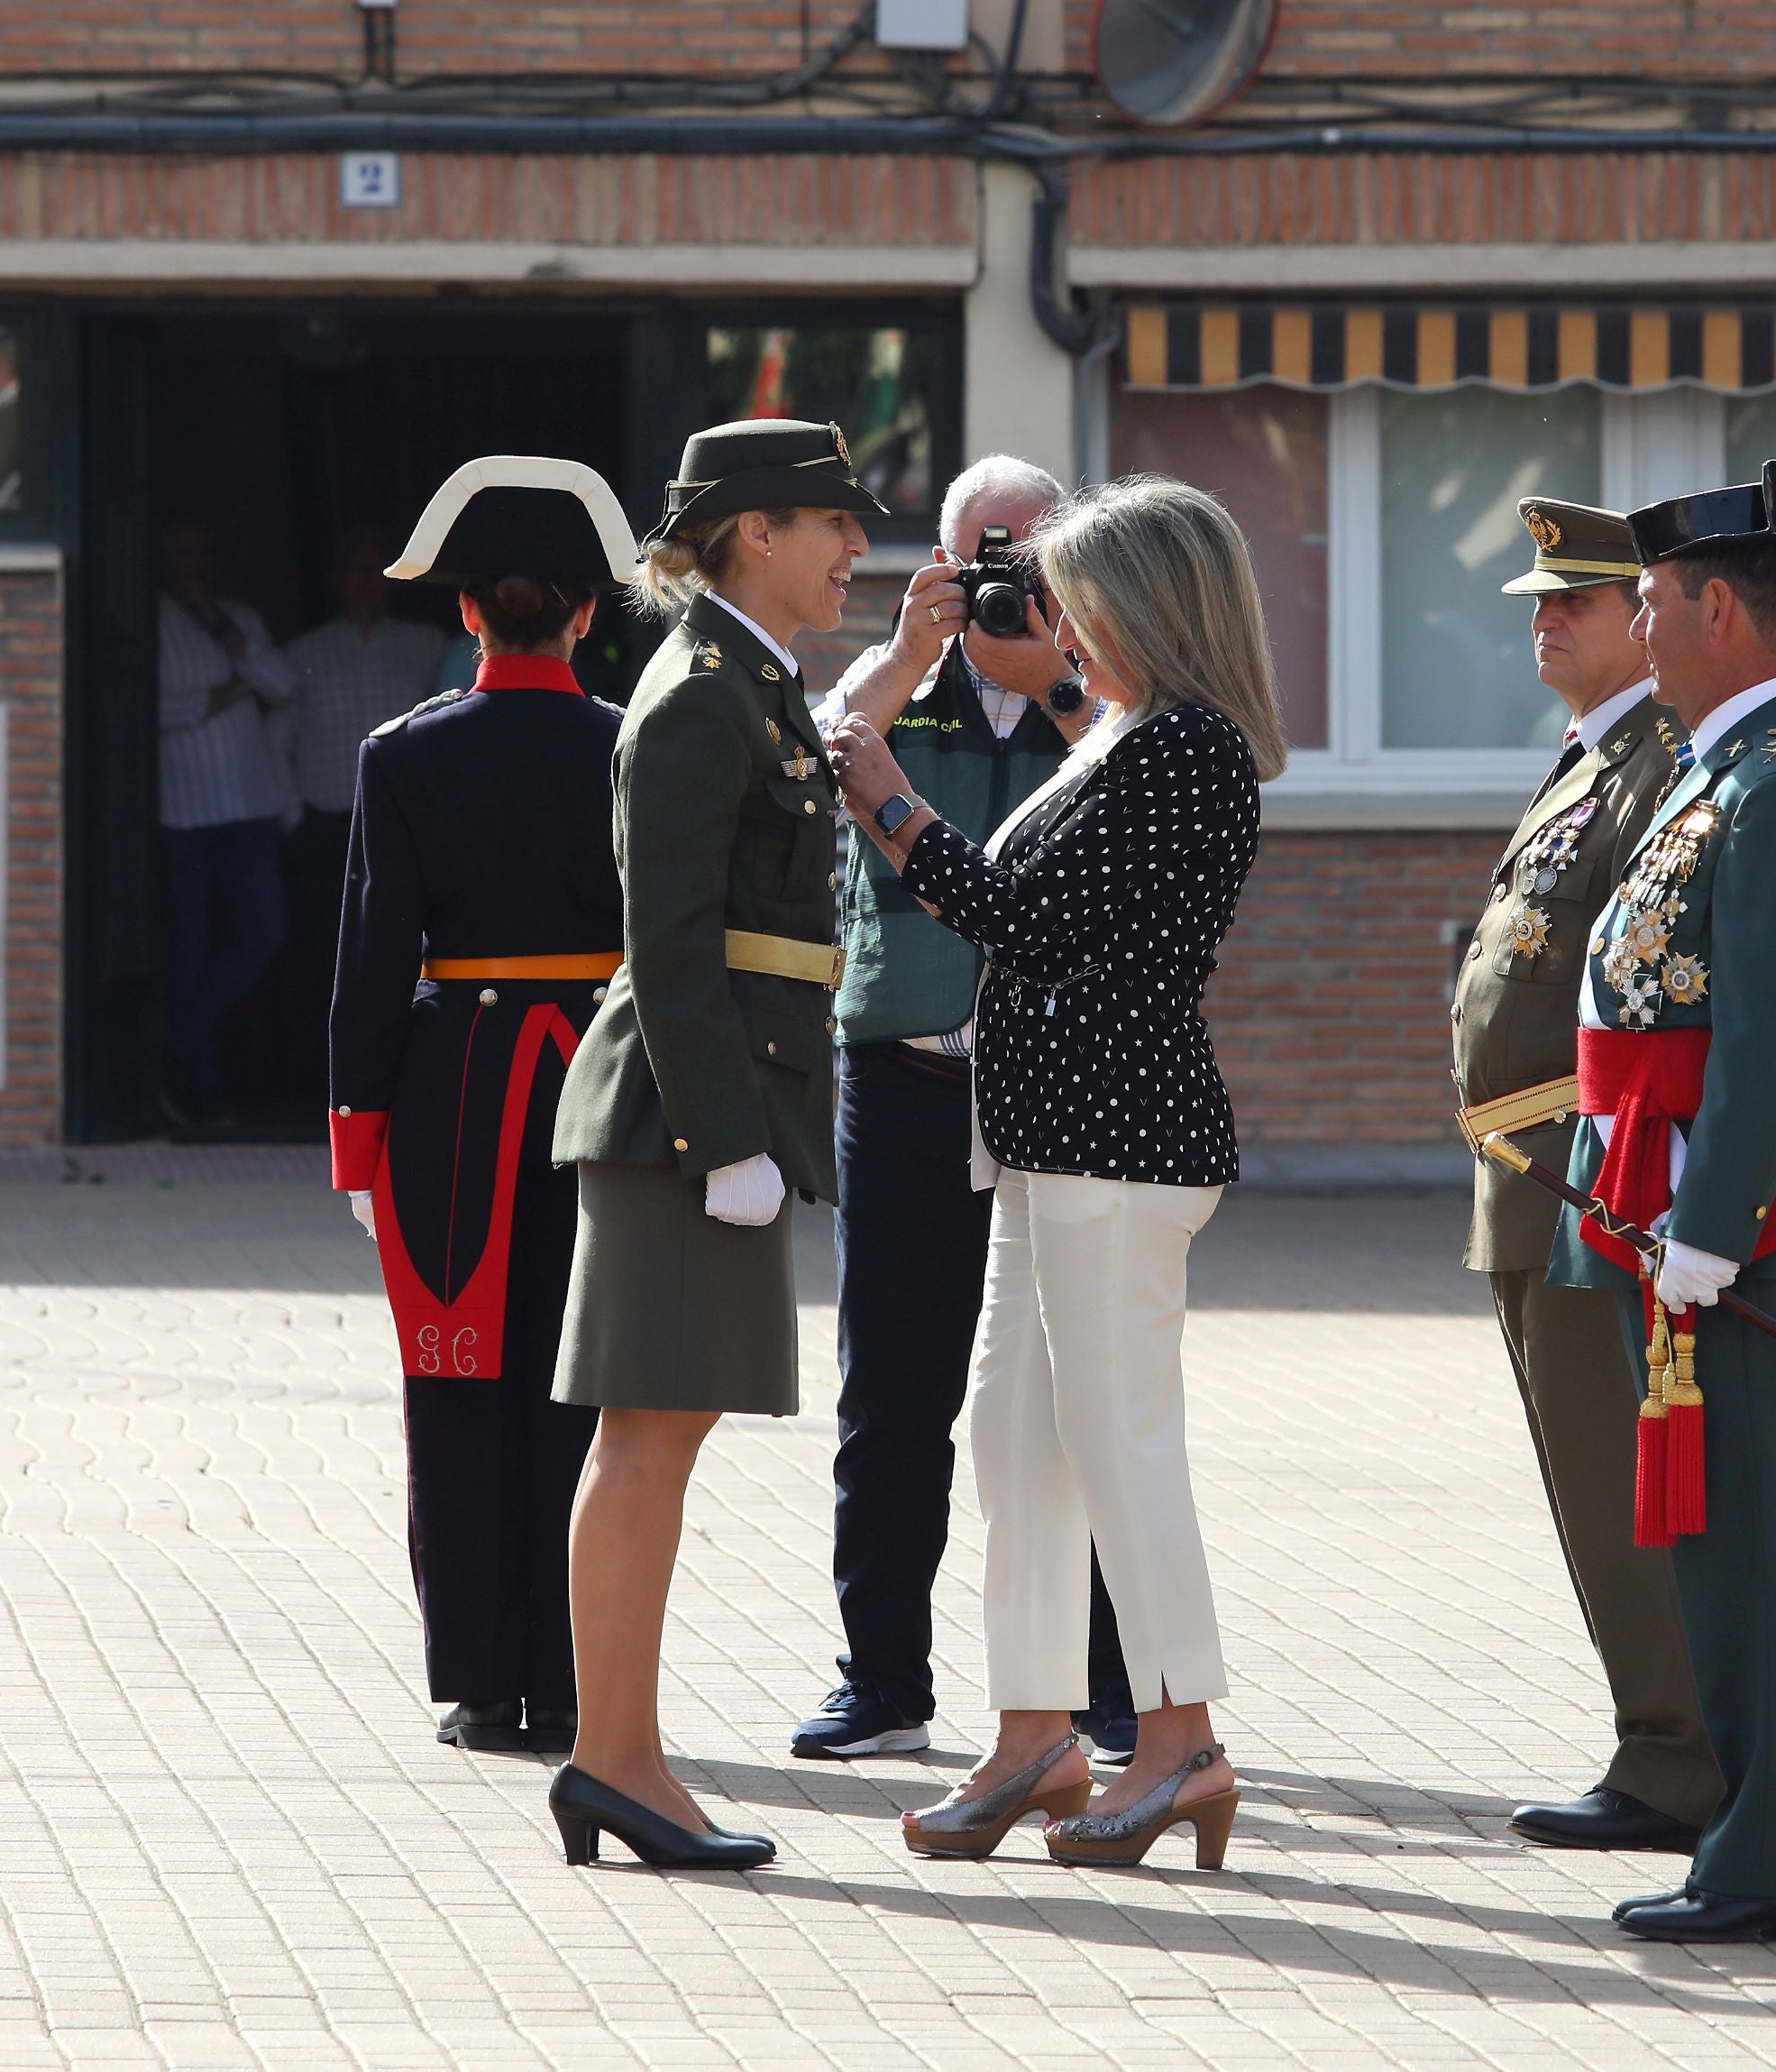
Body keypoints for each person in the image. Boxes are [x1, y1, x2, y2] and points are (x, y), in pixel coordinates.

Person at [824, 475, 1284, 1871]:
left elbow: (1028, 926)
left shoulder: (1189, 747)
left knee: (1116, 1441)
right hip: (1041, 1142)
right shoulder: (1123, 733)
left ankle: (1182, 1737)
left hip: (1119, 1144)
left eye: (1081, 591)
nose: (1057, 618)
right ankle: (1036, 1733)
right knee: (1017, 1441)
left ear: (1143, 600)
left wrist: (894, 805)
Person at [1546, 459, 1776, 1947]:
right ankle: (1746, 1836)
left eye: (1654, 599)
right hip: (1663, 1198)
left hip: (1723, 1221)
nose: (1636, 623)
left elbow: (1765, 1037)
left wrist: (1713, 1225)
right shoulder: (1720, 761)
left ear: (1721, 606)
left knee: (1755, 1549)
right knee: (1709, 1546)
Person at [544, 418, 876, 1870]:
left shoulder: (750, 679)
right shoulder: (697, 693)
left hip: (726, 1107)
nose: (858, 547)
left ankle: (620, 1758)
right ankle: (615, 1759)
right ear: (754, 530)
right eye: (833, 522)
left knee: (660, 1438)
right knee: (645, 1437)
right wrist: (720, 1137)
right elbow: (668, 943)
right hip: (689, 1115)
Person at [791, 454, 1138, 1766]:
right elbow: (817, 754)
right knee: (892, 1388)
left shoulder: (1096, 700)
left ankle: (1109, 1689)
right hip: (903, 1078)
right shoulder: (896, 694)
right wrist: (905, 645)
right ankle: (881, 1678)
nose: (1006, 582)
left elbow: (1127, 780)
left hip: (1051, 1085)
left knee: (1078, 1392)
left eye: (1031, 559)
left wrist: (1056, 672)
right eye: (983, 556)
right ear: (938, 562)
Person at [326, 457, 634, 1758]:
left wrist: (357, 1132)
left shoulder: (401, 752)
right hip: (609, 1084)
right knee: (585, 1390)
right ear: (584, 613)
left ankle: (479, 1683)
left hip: (453, 1088)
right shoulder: (634, 741)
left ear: (466, 615)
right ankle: (573, 1684)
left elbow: (367, 956)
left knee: (454, 1384)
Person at [1451, 497, 1722, 1859]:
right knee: (1587, 1478)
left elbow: (1660, 992)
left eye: (1573, 598)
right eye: (1538, 600)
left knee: (1624, 1481)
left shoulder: (1658, 758)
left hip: (1587, 1171)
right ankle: (1654, 1732)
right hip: (1531, 1164)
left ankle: (1676, 1754)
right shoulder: (1592, 756)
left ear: (1647, 619)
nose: (1544, 617)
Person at [279, 525, 446, 1097]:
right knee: (325, 953)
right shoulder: (305, 651)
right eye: (354, 570)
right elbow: (281, 738)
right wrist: (290, 814)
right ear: (335, 581)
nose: (366, 584)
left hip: (407, 827)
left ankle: (397, 1079)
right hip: (326, 823)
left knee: (400, 954)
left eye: (378, 571)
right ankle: (318, 1087)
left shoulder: (426, 646)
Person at [154, 519, 296, 1127]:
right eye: (183, 551)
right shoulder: (151, 620)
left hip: (250, 807)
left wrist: (233, 645)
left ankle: (173, 1046)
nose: (193, 563)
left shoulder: (238, 617)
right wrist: (237, 689)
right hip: (183, 814)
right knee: (187, 955)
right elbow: (160, 710)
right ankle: (200, 1094)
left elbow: (286, 684)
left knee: (264, 933)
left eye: (201, 552)